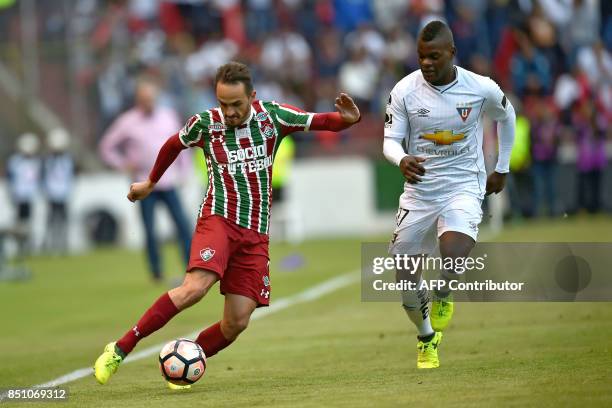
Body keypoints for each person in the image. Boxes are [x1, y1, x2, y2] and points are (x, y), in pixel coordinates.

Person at [94, 61, 361, 388]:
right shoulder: (205, 124)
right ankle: (121, 348)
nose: (229, 112)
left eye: (236, 104)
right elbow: (174, 144)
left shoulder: (273, 117)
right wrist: (150, 182)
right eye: (223, 104)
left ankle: (188, 358)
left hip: (255, 233)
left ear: (252, 96)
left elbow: (321, 121)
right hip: (218, 219)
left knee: (236, 321)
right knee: (194, 288)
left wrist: (347, 120)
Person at [383, 21, 515, 369]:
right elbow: (389, 141)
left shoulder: (480, 87)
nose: (426, 63)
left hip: (463, 186)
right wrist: (401, 159)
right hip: (420, 193)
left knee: (454, 250)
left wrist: (501, 167)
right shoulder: (404, 91)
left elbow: (508, 116)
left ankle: (443, 290)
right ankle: (427, 338)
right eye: (421, 56)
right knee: (406, 277)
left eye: (434, 56)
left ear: (452, 53)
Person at [99, 77, 193, 282]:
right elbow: (106, 146)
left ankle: (191, 266)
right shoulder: (127, 121)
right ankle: (156, 271)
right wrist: (122, 164)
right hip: (143, 183)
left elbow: (182, 143)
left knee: (182, 225)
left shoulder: (167, 116)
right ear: (138, 100)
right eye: (144, 99)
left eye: (151, 99)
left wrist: (185, 171)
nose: (148, 103)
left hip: (168, 181)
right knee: (150, 230)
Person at [6, 133, 42, 254]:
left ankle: (27, 246)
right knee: (19, 223)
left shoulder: (36, 161)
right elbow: (11, 179)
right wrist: (12, 194)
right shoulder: (15, 161)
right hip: (18, 196)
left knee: (28, 223)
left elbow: (36, 178)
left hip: (30, 196)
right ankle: (19, 246)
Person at [42, 128, 75, 255]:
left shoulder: (68, 160)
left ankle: (63, 245)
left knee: (63, 221)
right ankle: (50, 245)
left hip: (64, 194)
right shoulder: (47, 160)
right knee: (51, 221)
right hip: (51, 194)